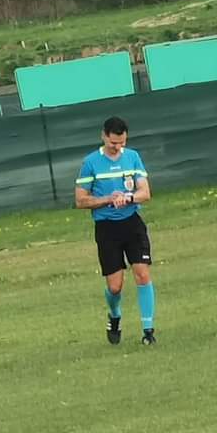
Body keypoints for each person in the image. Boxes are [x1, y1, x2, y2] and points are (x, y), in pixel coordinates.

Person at [74, 116, 155, 345]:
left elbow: (145, 192)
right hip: (107, 228)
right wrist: (108, 199)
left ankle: (148, 331)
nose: (118, 147)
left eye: (121, 143)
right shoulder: (91, 162)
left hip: (132, 223)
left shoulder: (133, 157)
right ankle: (114, 315)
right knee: (115, 286)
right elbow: (80, 200)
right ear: (103, 136)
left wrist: (128, 197)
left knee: (142, 273)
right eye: (113, 143)